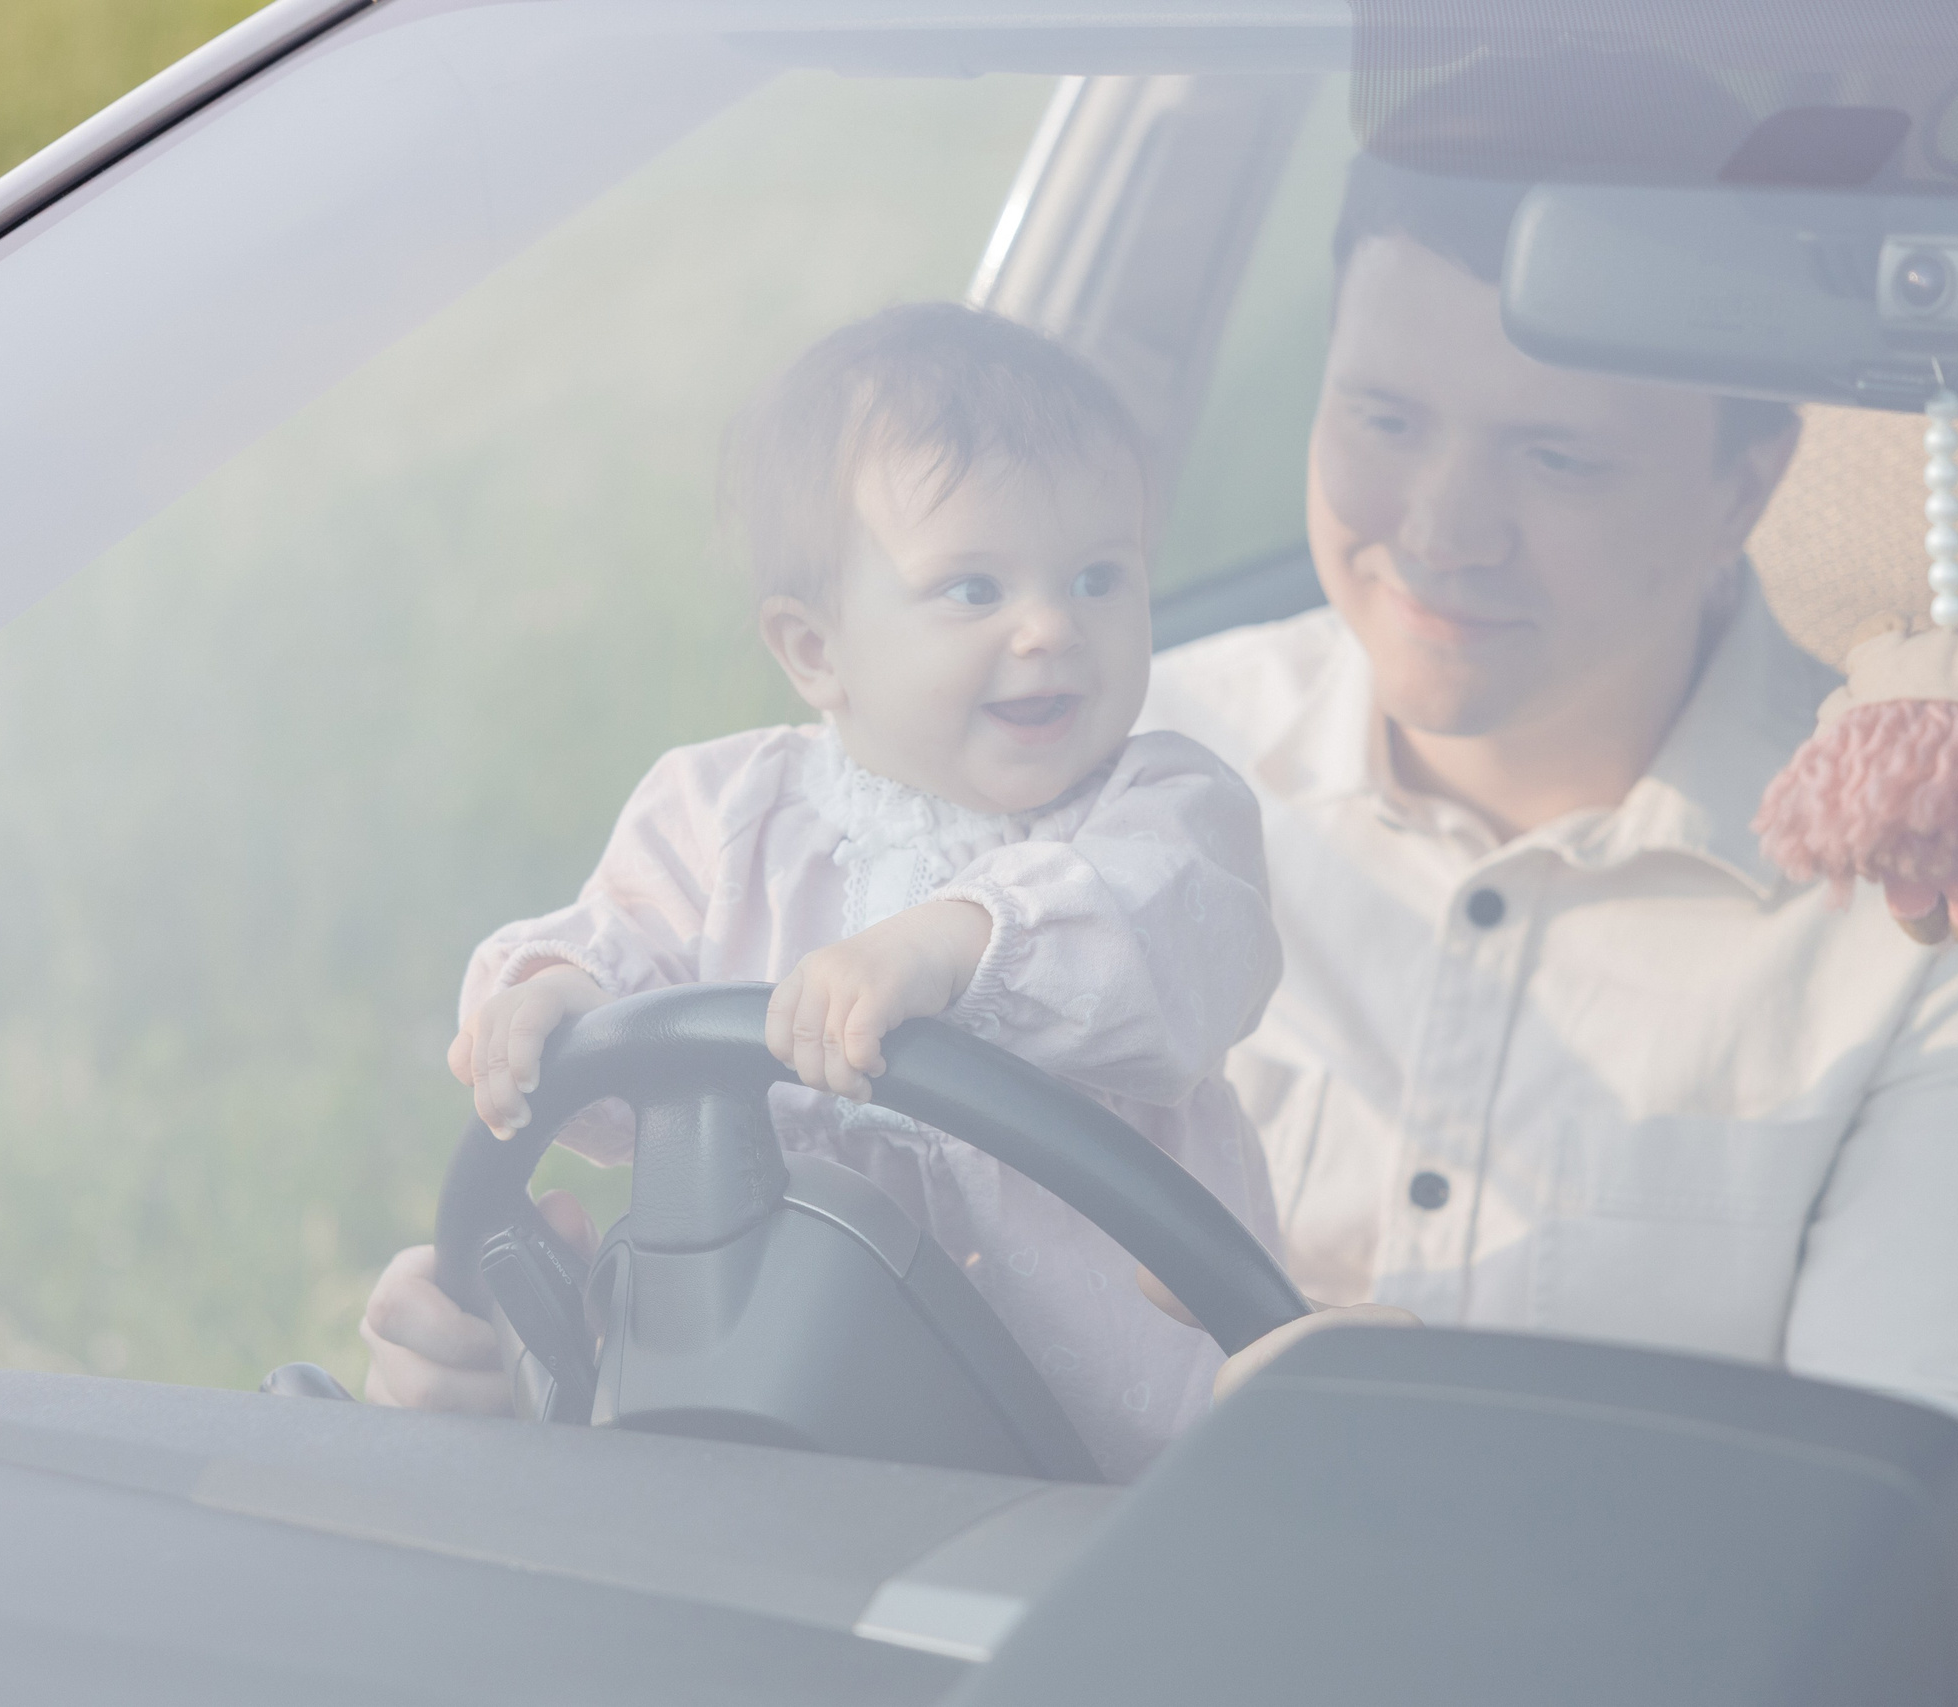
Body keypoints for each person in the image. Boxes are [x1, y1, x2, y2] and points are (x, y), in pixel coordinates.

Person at [1137, 145, 1958, 1517]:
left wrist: (1417, 1456)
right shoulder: (1122, 762)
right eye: (1383, 419)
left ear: (1745, 488)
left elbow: (1925, 1527)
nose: (1442, 530)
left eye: (1556, 456)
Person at [374, 303, 1284, 1480]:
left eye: (1101, 576)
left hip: (1119, 1466)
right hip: (779, 1422)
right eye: (973, 590)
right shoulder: (721, 811)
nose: (1054, 627)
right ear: (816, 651)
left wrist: (948, 949)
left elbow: (1165, 947)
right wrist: (555, 996)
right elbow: (628, 950)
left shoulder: (1162, 809)